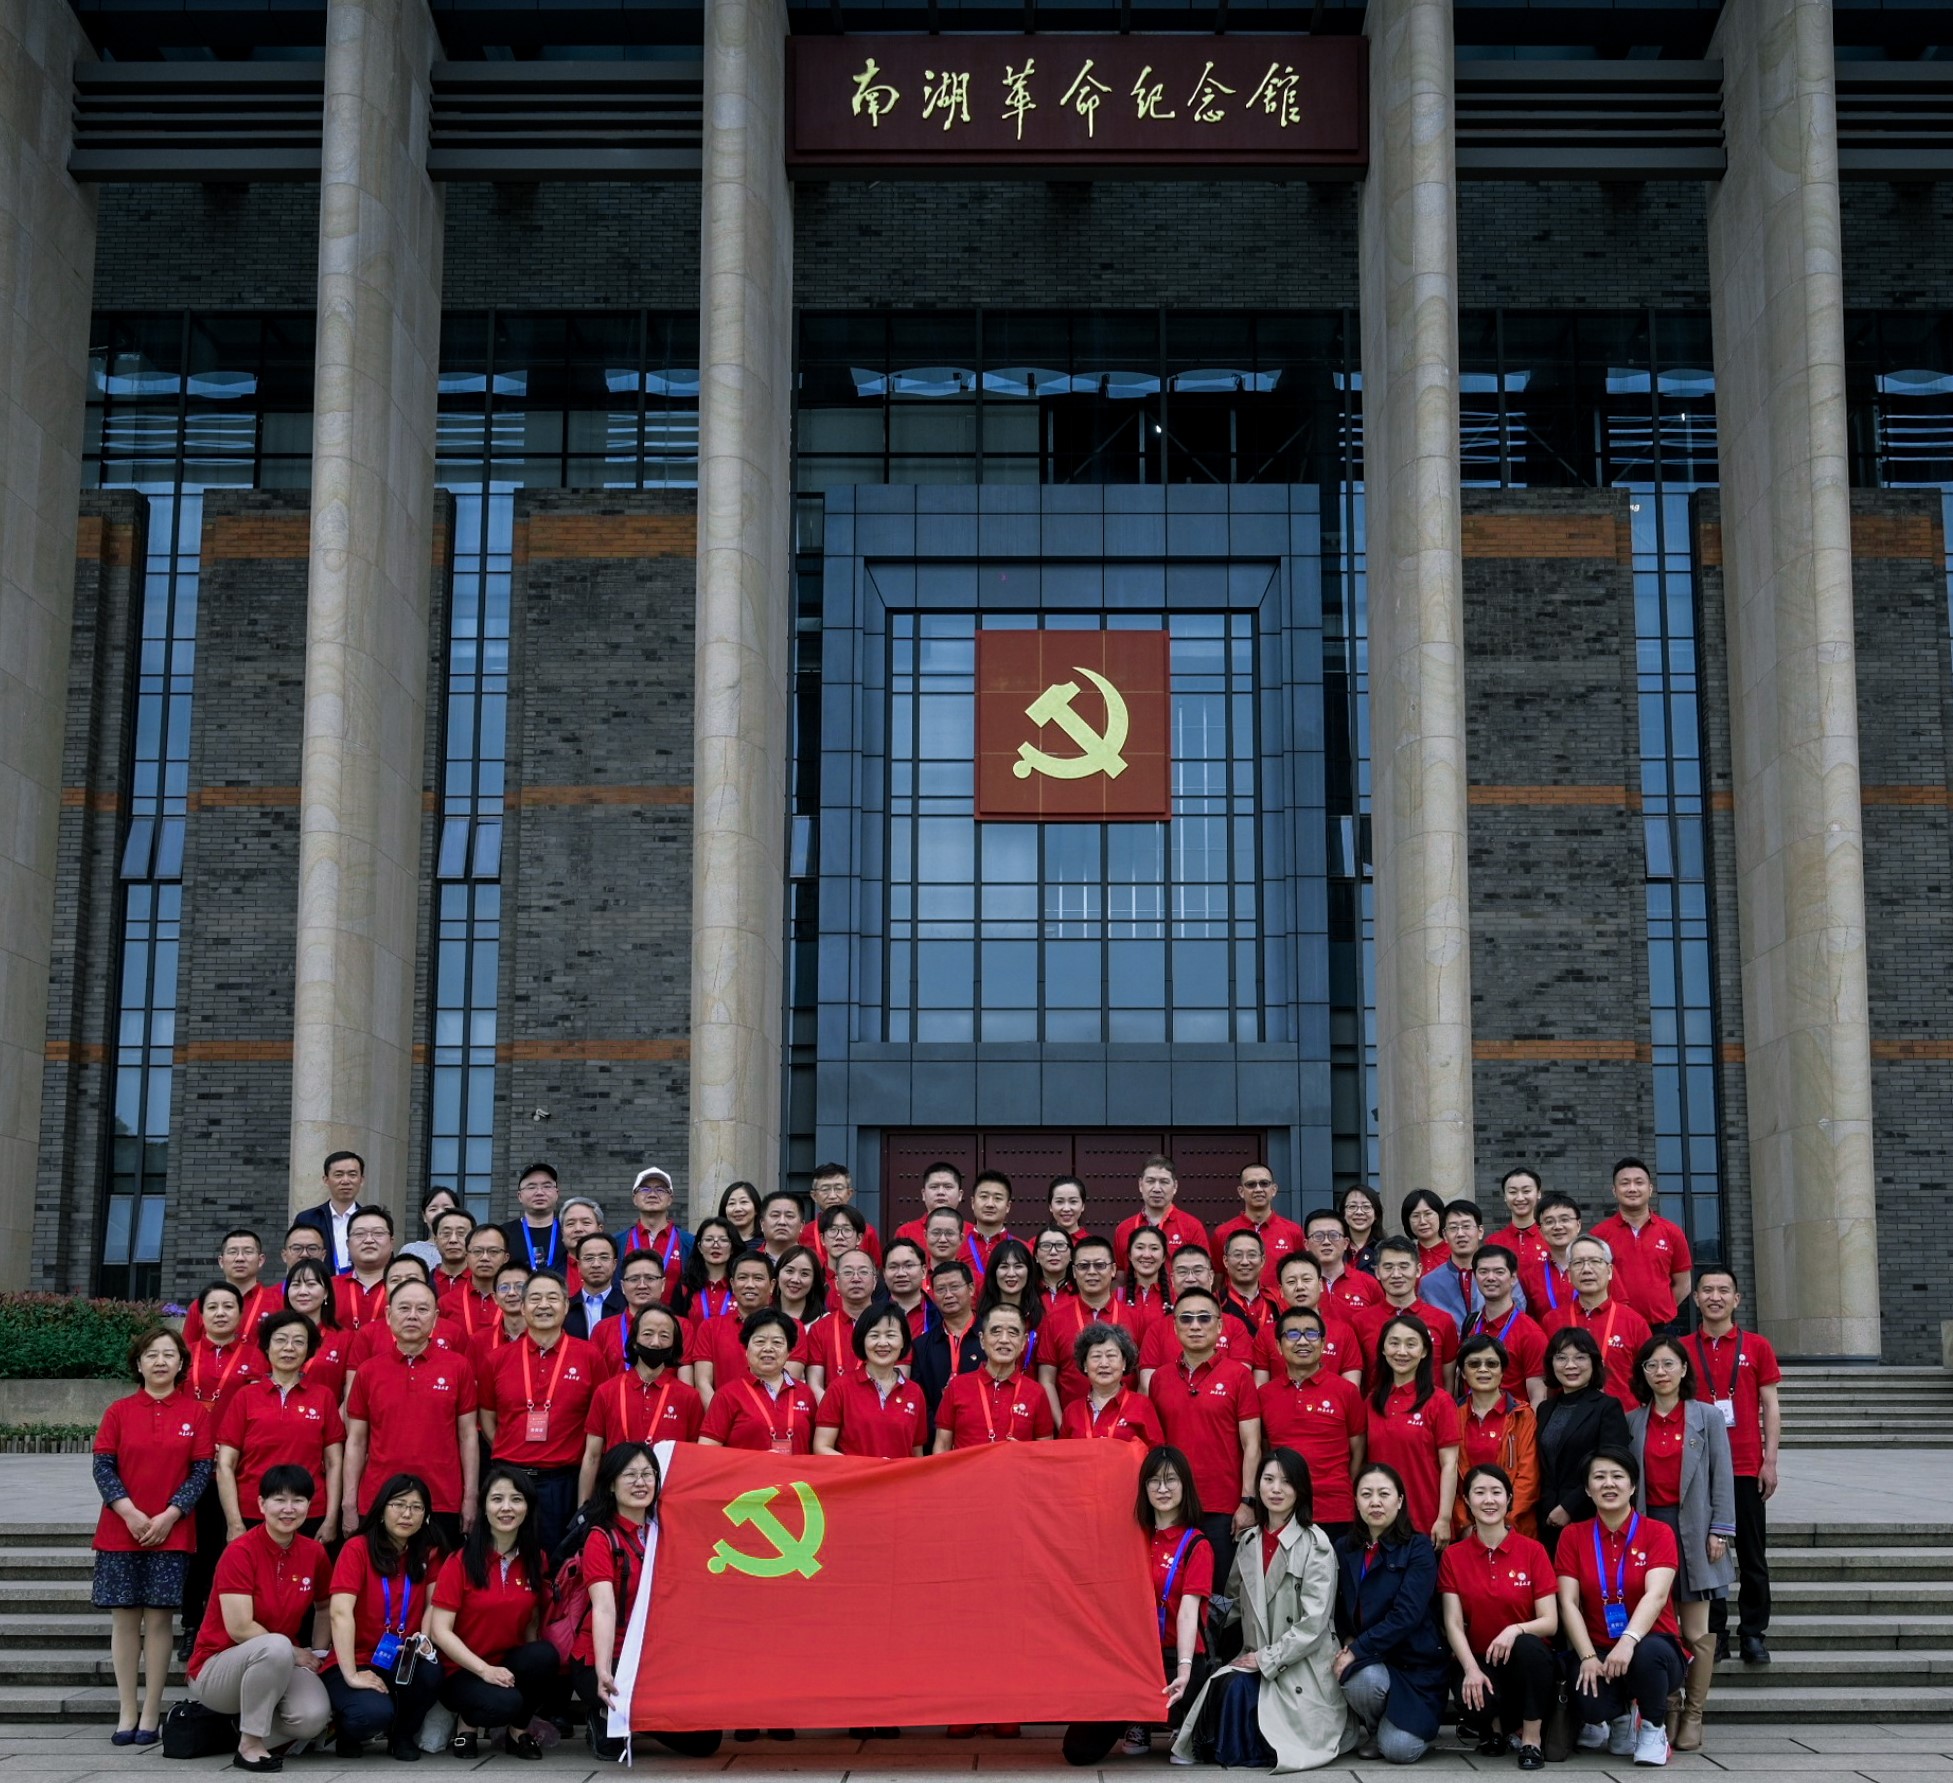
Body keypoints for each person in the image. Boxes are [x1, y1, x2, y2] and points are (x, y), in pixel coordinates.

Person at [1172, 1447, 1352, 1770]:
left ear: (1300, 1489)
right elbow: (1232, 1606)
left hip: (1301, 1663)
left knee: (1242, 1691)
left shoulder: (1317, 1545)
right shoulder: (1248, 1542)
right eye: (1268, 1480)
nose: (1276, 1489)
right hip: (1256, 1654)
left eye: (1286, 1481)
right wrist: (1188, 1621)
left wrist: (1265, 1659)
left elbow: (1313, 1624)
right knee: (1225, 1685)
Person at [95, 1325, 214, 1745]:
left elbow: (201, 1471)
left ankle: (151, 1711)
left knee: (161, 1620)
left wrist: (169, 1516)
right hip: (120, 1530)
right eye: (151, 1355)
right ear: (139, 1363)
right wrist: (129, 1512)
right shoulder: (118, 1412)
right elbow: (103, 1467)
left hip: (172, 1532)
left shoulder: (196, 1414)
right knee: (125, 1619)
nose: (160, 1361)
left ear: (182, 1363)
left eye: (169, 1354)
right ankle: (127, 1709)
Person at [570, 1444, 723, 1760]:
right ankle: (604, 1717)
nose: (640, 1483)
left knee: (705, 1741)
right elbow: (604, 1608)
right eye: (629, 1475)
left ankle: (629, 1717)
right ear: (611, 1485)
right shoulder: (601, 1537)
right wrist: (603, 1670)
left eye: (647, 1474)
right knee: (611, 1748)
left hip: (653, 1657)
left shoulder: (666, 1531)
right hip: (608, 1657)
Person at [1063, 1445, 1213, 1764]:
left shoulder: (1197, 1544)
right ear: (1143, 1488)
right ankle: (1138, 1719)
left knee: (1190, 1745)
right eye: (1153, 1481)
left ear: (1184, 1485)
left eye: (1171, 1480)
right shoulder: (1130, 1538)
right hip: (1131, 1661)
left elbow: (1189, 1613)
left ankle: (1175, 1721)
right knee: (1078, 1751)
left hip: (1174, 1660)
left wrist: (1184, 1669)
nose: (1162, 1488)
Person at [185, 1464, 333, 1771]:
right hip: (218, 1667)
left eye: (298, 1500)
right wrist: (295, 1652)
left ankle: (234, 1730)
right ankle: (250, 1745)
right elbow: (240, 1628)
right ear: (262, 1504)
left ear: (309, 1505)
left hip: (278, 1660)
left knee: (312, 1718)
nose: (289, 1509)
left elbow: (324, 1606)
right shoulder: (240, 1552)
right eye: (279, 1500)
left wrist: (318, 1653)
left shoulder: (314, 1553)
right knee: (276, 1645)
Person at [1627, 1336, 1734, 1752]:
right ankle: (1667, 1707)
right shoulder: (1634, 1420)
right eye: (1651, 1365)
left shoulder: (1706, 1417)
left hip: (1696, 1529)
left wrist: (1720, 1530)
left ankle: (1693, 1713)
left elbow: (1722, 1475)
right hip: (1650, 1531)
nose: (1661, 1373)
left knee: (1695, 1630)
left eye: (1669, 1364)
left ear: (1684, 1369)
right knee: (1658, 1626)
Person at [1554, 1448, 1687, 1768]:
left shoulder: (1658, 1533)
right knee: (1587, 1696)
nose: (1608, 1484)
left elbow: (1656, 1596)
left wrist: (1628, 1641)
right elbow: (1568, 1602)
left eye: (1618, 1476)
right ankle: (1620, 1718)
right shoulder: (1573, 1535)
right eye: (1599, 1477)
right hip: (1599, 1647)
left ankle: (1653, 1728)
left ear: (1633, 1485)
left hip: (1654, 1646)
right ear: (1588, 1489)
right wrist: (1587, 1656)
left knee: (1647, 1653)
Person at [343, 1277, 481, 1551]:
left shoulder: (458, 1367)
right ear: (388, 1314)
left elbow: (468, 1437)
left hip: (442, 1498)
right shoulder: (368, 1371)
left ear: (436, 1318)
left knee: (439, 1573)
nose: (413, 1316)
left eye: (422, 1309)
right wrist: (349, 1502)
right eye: (404, 1308)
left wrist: (470, 1497)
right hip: (379, 1496)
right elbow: (356, 1441)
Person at [429, 1465, 557, 1759]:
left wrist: (528, 1674)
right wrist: (484, 1670)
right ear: (484, 1508)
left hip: (505, 1663)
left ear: (528, 1507)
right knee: (504, 1703)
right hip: (461, 1670)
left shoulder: (536, 1559)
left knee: (544, 1655)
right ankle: (467, 1724)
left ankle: (517, 1733)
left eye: (516, 1499)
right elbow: (440, 1631)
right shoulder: (459, 1561)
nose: (506, 1508)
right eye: (497, 1499)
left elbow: (531, 1622)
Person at [1688, 1266, 1781, 1665]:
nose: (1715, 1297)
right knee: (1706, 1555)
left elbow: (1770, 1405)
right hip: (1698, 1469)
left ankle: (1753, 1634)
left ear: (1737, 1299)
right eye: (1707, 1290)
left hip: (1744, 1465)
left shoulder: (1757, 1346)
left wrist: (1770, 1460)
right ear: (1695, 1298)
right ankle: (1716, 1634)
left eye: (1723, 1290)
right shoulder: (1683, 1349)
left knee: (1752, 1555)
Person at [1438, 1463, 1558, 1770]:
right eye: (1479, 1493)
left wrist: (1514, 1630)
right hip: (1479, 1658)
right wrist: (1470, 1669)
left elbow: (1550, 1621)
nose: (1489, 1500)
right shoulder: (1453, 1555)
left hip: (1524, 1662)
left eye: (1496, 1492)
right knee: (1473, 1698)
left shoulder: (1533, 1551)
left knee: (1528, 1647)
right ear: (1467, 1501)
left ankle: (1531, 1739)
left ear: (1509, 1498)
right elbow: (1453, 1622)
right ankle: (1493, 1730)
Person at [325, 1472, 445, 1760]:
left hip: (402, 1655)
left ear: (426, 1515)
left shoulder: (429, 1553)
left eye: (416, 1507)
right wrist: (352, 1674)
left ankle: (402, 1735)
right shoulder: (357, 1548)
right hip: (356, 1656)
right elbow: (340, 1612)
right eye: (398, 1505)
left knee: (431, 1672)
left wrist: (423, 1640)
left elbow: (433, 1604)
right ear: (381, 1511)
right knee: (370, 1714)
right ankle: (346, 1731)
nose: (407, 1514)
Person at [1333, 1463, 1446, 1764]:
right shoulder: (1345, 1548)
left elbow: (1406, 1615)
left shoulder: (1418, 1548)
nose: (1375, 1502)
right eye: (1366, 1494)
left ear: (1399, 1500)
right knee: (1360, 1679)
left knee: (1400, 1751)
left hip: (1416, 1666)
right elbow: (1338, 1607)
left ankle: (1401, 1729)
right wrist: (1347, 1639)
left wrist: (1356, 1649)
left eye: (1384, 1494)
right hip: (1375, 1661)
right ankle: (1376, 1729)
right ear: (1356, 1501)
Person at [479, 1271, 598, 1555]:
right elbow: (487, 1418)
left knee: (557, 1563)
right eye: (535, 1298)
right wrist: (514, 1452)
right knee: (505, 1559)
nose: (543, 1305)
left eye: (552, 1298)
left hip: (562, 1482)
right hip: (508, 1479)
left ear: (566, 1306)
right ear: (522, 1307)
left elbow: (596, 1424)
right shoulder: (497, 1360)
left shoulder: (589, 1356)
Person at [182, 1283, 269, 1653]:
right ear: (200, 1315)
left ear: (240, 1314)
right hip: (189, 1466)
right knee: (196, 1550)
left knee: (227, 1547)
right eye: (212, 1307)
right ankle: (192, 1624)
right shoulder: (184, 1355)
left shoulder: (257, 1356)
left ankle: (229, 1625)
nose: (220, 1313)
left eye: (228, 1307)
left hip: (236, 1467)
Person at [1147, 1286, 1261, 1562]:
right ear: (1175, 1328)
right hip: (1172, 1503)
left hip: (1223, 1506)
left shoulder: (1239, 1376)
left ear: (1219, 1326)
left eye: (1204, 1318)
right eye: (1186, 1319)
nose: (1195, 1326)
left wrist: (1247, 1502)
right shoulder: (1160, 1379)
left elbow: (1252, 1444)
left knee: (1220, 1586)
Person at [217, 1309, 346, 1545]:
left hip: (309, 1512)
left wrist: (331, 1519)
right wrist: (234, 1522)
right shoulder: (245, 1397)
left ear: (309, 1350)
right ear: (267, 1347)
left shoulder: (323, 1397)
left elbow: (334, 1463)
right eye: (280, 1340)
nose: (289, 1348)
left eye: (299, 1342)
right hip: (253, 1511)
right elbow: (225, 1464)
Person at [1256, 1307, 1366, 1543]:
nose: (1303, 1341)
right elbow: (1265, 1449)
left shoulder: (1346, 1391)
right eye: (1293, 1334)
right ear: (1278, 1346)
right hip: (1283, 1510)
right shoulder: (1264, 1395)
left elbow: (1357, 1449)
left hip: (1335, 1510)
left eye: (1311, 1334)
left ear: (1323, 1343)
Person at [580, 1303, 703, 1497]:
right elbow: (592, 1457)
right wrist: (584, 1507)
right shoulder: (606, 1391)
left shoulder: (689, 1397)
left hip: (668, 1496)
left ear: (674, 1345)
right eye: (647, 1334)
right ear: (634, 1340)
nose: (655, 1343)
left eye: (664, 1336)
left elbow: (694, 1459)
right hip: (615, 1496)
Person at [1533, 1328, 1633, 1557]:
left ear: (1594, 1362)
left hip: (1589, 1514)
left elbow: (1611, 1465)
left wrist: (1568, 1507)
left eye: (1580, 1357)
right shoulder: (1546, 1409)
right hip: (1546, 1517)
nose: (1570, 1365)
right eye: (1561, 1358)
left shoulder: (1607, 1407)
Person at [1364, 1314, 1460, 1546]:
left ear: (1424, 1351)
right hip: (1380, 1523)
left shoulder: (1440, 1401)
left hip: (1425, 1523)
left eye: (1411, 1344)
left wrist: (1444, 1518)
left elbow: (1450, 1464)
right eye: (1394, 1343)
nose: (1402, 1352)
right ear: (1383, 1349)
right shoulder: (1372, 1401)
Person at [1540, 1236, 1652, 1408]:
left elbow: (1648, 1377)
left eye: (1594, 1261)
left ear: (1609, 1271)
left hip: (1622, 1417)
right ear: (1569, 1274)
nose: (1586, 1269)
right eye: (1578, 1263)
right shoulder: (1552, 1321)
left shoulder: (1634, 1322)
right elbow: (1545, 1378)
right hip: (1568, 1416)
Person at [1041, 1233, 1147, 1408]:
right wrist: (1062, 1422)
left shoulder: (1135, 1318)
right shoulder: (1054, 1319)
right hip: (1072, 1422)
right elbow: (1047, 1380)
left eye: (1099, 1265)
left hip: (1124, 1422)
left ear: (1113, 1270)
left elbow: (1144, 1379)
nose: (1091, 1272)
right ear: (1074, 1272)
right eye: (1083, 1266)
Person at [932, 1302, 1055, 1450]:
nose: (1004, 1339)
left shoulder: (1036, 1393)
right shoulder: (957, 1387)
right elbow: (942, 1445)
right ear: (982, 1340)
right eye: (996, 1331)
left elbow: (1045, 1450)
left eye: (1013, 1333)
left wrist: (1024, 1453)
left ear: (1023, 1342)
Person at [1452, 1335, 1540, 1536]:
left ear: (1502, 1371)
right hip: (1467, 1532)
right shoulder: (1450, 1415)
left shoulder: (1522, 1415)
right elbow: (1450, 1479)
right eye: (1474, 1364)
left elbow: (1529, 1478)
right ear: (1463, 1373)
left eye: (1491, 1364)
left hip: (1515, 1530)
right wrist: (1465, 1525)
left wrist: (1502, 1525)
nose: (1483, 1370)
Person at [813, 1305, 929, 1457]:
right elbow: (821, 1447)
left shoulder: (914, 1392)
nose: (882, 1343)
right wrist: (865, 1467)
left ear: (903, 1341)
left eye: (891, 1335)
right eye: (874, 1335)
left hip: (900, 1474)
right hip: (856, 1473)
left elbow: (916, 1453)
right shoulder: (840, 1388)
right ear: (862, 1340)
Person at [1593, 1158, 1692, 1332]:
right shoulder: (1599, 1235)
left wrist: (1663, 1308)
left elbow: (1684, 1284)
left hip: (1661, 1328)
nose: (1632, 1188)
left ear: (1650, 1189)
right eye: (1625, 1183)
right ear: (1614, 1191)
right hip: (1615, 1326)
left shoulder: (1672, 1232)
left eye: (1639, 1182)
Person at [698, 1310, 817, 1452]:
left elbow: (816, 1449)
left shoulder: (805, 1393)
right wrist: (757, 1461)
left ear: (789, 1352)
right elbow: (706, 1452)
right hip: (747, 1468)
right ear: (746, 1350)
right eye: (760, 1341)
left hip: (796, 1468)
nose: (768, 1348)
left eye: (777, 1342)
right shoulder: (727, 1395)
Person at [1353, 1237, 1460, 1389]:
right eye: (1388, 1267)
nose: (1396, 1274)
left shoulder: (1443, 1320)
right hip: (1379, 1403)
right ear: (1377, 1272)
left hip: (1430, 1403)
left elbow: (1448, 1381)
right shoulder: (1360, 1322)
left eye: (1404, 1266)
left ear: (1418, 1270)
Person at [1252, 1253, 1364, 1386]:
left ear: (1320, 1285)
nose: (1300, 1287)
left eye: (1306, 1279)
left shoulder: (1344, 1332)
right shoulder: (1266, 1334)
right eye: (1291, 1282)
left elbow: (1351, 1389)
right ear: (1281, 1290)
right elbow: (1260, 1388)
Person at [688, 1251, 781, 1400]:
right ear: (732, 1284)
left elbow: (787, 1382)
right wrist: (722, 1413)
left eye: (758, 1278)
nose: (750, 1285)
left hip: (772, 1413)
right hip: (722, 1412)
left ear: (772, 1285)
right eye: (743, 1278)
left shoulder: (790, 1328)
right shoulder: (710, 1327)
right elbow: (703, 1383)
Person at [1463, 1246, 1548, 1406]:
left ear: (1513, 1278)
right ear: (1474, 1277)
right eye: (1483, 1272)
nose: (1490, 1278)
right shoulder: (1471, 1324)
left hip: (1511, 1420)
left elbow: (1538, 1397)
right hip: (1469, 1418)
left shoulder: (1531, 1333)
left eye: (1499, 1272)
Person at [1057, 1324, 1164, 1443]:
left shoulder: (1142, 1406)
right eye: (1096, 1356)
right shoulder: (1072, 1411)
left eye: (1111, 1355)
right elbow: (1062, 1452)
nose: (1104, 1363)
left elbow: (1156, 1452)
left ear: (1124, 1363)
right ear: (1085, 1365)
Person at [798, 1247, 882, 1396]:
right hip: (831, 1407)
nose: (856, 1278)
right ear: (836, 1283)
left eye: (863, 1272)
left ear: (875, 1281)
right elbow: (815, 1385)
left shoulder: (890, 1326)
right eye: (848, 1272)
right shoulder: (820, 1328)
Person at [1212, 1163, 1306, 1293]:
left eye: (1264, 1183)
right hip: (1236, 1305)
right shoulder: (1222, 1233)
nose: (1258, 1189)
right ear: (1241, 1191)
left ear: (1273, 1189)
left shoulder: (1293, 1231)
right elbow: (1218, 1279)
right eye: (1251, 1184)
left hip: (1280, 1304)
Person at [911, 1257, 982, 1421]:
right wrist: (939, 1431)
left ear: (971, 1289)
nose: (948, 1295)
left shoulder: (991, 1338)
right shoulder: (921, 1346)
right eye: (941, 1289)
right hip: (937, 1432)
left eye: (955, 1287)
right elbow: (919, 1400)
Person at [184, 1230, 285, 1344]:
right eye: (232, 1252)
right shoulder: (200, 1305)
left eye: (248, 1252)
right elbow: (187, 1350)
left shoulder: (279, 1302)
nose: (240, 1258)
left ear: (260, 1260)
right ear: (221, 1261)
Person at [1113, 1154, 1210, 1269]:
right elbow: (1120, 1275)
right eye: (1150, 1181)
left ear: (1175, 1186)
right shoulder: (1123, 1229)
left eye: (1164, 1182)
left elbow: (1203, 1272)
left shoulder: (1192, 1227)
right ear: (1140, 1185)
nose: (1157, 1189)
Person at [1417, 1200, 1501, 1328]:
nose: (1460, 1234)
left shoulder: (1501, 1276)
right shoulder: (1429, 1284)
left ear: (1480, 1231)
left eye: (1466, 1226)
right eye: (1453, 1228)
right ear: (1445, 1235)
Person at [589, 1250, 667, 1381]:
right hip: (614, 1394)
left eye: (650, 1278)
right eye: (634, 1279)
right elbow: (595, 1380)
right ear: (622, 1286)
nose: (642, 1285)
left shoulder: (681, 1327)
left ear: (663, 1284)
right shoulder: (602, 1329)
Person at [284, 1259, 353, 1402]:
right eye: (296, 1284)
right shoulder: (273, 1334)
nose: (303, 1292)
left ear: (326, 1292)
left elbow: (350, 1395)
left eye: (311, 1284)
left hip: (327, 1415)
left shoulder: (346, 1338)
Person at [292, 1149, 370, 1273]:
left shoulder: (371, 1220)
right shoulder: (307, 1219)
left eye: (352, 1174)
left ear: (361, 1180)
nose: (345, 1181)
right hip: (319, 1283)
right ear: (326, 1180)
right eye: (338, 1175)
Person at [616, 1166, 693, 1288]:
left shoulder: (689, 1243)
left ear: (670, 1199)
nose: (652, 1194)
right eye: (645, 1189)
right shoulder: (618, 1242)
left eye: (660, 1189)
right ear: (634, 1199)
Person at [802, 1160, 883, 1266]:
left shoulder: (867, 1231)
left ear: (849, 1193)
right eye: (825, 1189)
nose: (832, 1196)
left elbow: (875, 1268)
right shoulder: (805, 1232)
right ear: (814, 1196)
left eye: (838, 1189)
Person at [1307, 1209, 1385, 1319]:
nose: (1326, 1242)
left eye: (1334, 1235)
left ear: (1345, 1243)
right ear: (1306, 1244)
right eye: (1318, 1236)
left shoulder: (1368, 1283)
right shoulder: (1299, 1286)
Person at [1518, 1193, 1583, 1318]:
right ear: (1540, 1230)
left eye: (1564, 1220)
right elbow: (1528, 1320)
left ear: (1578, 1225)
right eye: (1549, 1222)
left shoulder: (1599, 1267)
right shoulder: (1530, 1277)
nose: (1557, 1226)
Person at [335, 1209, 397, 1334]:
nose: (369, 1240)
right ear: (348, 1244)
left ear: (391, 1243)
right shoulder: (329, 1287)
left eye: (378, 1233)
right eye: (359, 1234)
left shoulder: (405, 1286)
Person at [501, 1162, 565, 1276]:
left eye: (547, 1186)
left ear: (557, 1193)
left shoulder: (569, 1232)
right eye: (531, 1187)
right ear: (519, 1196)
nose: (539, 1192)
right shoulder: (503, 1234)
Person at [1488, 1168, 1551, 1284]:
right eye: (1513, 1192)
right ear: (1505, 1196)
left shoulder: (1551, 1238)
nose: (1520, 1198)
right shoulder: (1493, 1242)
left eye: (1526, 1191)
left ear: (1538, 1193)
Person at [447, 1226, 508, 1345]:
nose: (485, 1258)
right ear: (466, 1257)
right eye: (477, 1251)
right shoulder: (446, 1303)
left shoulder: (517, 1302)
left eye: (493, 1251)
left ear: (506, 1258)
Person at [1219, 1228, 1283, 1338]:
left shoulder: (1278, 1300)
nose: (1245, 1262)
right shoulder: (1216, 1302)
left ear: (1262, 1260)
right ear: (1225, 1261)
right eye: (1237, 1255)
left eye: (1252, 1255)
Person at [674, 1215, 739, 1322]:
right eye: (709, 1239)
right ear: (699, 1247)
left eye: (723, 1240)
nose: (716, 1245)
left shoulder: (740, 1285)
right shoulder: (685, 1287)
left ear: (732, 1248)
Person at [565, 1232, 625, 1341]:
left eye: (604, 1257)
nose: (596, 1264)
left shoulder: (627, 1306)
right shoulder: (566, 1309)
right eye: (589, 1258)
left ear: (614, 1264)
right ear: (578, 1265)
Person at [894, 1159, 966, 1247]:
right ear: (923, 1194)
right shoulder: (905, 1232)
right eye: (934, 1187)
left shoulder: (973, 1234)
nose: (940, 1192)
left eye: (948, 1187)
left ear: (960, 1195)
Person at [965, 1169, 1017, 1274]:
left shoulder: (1023, 1250)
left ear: (1008, 1206)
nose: (990, 1204)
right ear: (973, 1202)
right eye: (984, 1197)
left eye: (997, 1198)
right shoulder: (956, 1248)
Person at [400, 1188, 462, 1273]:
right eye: (433, 1209)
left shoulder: (468, 1250)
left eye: (446, 1209)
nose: (440, 1213)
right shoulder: (410, 1251)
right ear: (424, 1216)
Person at [426, 1206, 477, 1302]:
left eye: (461, 1233)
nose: (453, 1240)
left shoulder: (484, 1284)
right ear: (436, 1241)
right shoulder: (424, 1282)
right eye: (446, 1233)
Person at [772, 1243, 826, 1328]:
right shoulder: (761, 1317)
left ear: (814, 1282)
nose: (795, 1280)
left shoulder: (825, 1322)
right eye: (789, 1271)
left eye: (804, 1274)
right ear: (777, 1275)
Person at [1124, 1225, 1171, 1319]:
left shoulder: (1175, 1297)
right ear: (1129, 1255)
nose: (1146, 1255)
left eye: (1154, 1248)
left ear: (1164, 1257)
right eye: (1140, 1247)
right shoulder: (1117, 1297)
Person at [1399, 1190, 1450, 1276]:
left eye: (1428, 1214)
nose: (1422, 1221)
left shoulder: (1456, 1253)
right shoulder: (1404, 1256)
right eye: (1415, 1216)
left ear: (1440, 1216)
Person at [1340, 1186, 1385, 1276]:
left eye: (1366, 1207)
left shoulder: (1385, 1250)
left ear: (1376, 1214)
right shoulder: (1335, 1248)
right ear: (1343, 1213)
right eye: (1352, 1206)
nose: (1359, 1212)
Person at [755, 1189, 805, 1262]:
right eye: (775, 1215)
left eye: (789, 1216)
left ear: (802, 1226)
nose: (782, 1222)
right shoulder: (749, 1261)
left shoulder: (815, 1261)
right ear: (762, 1224)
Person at [1034, 1226, 1077, 1311]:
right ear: (1036, 1256)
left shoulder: (1083, 1289)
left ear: (1071, 1255)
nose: (1053, 1252)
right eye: (1046, 1246)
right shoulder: (1026, 1290)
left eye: (1060, 1245)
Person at [716, 1180, 761, 1246]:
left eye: (744, 1202)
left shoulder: (769, 1244)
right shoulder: (716, 1244)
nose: (737, 1209)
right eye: (732, 1203)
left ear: (756, 1208)